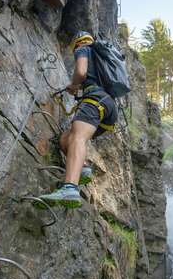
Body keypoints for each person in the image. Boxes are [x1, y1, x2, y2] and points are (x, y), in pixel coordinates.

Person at [39, 31, 118, 208]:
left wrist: (74, 86)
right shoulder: (102, 58)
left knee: (77, 138)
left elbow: (81, 72)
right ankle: (82, 168)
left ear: (77, 42)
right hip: (109, 108)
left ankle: (69, 188)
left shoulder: (83, 49)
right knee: (66, 138)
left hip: (94, 100)